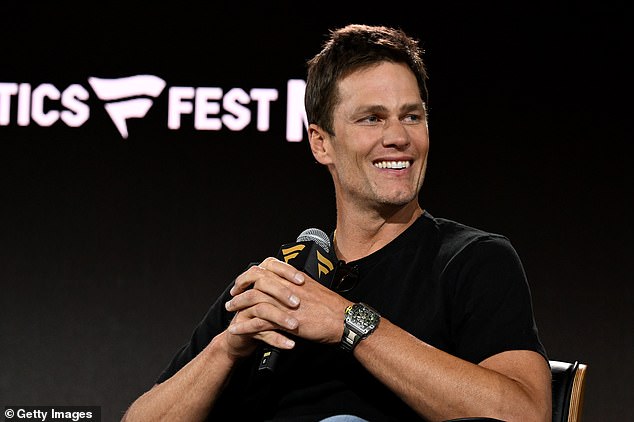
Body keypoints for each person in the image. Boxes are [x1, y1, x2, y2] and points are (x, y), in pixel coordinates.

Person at [122, 24, 551, 421]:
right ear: (321, 143)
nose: (398, 137)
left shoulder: (473, 261)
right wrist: (226, 350)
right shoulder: (280, 282)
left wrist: (348, 323)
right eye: (372, 118)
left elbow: (524, 413)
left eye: (412, 116)